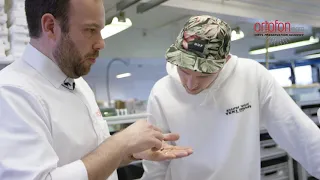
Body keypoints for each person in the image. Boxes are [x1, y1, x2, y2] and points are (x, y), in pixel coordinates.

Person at [0, 0, 193, 180]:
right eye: (90, 30)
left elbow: (89, 157)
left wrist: (131, 152)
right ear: (50, 26)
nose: (101, 43)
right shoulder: (11, 93)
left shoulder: (78, 84)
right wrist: (121, 142)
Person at [141, 15, 320, 180]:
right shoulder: (161, 92)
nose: (190, 84)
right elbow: (156, 163)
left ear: (225, 61)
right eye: (184, 71)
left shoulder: (251, 76)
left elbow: (298, 133)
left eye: (203, 75)